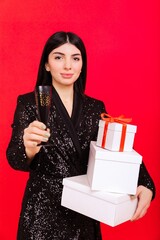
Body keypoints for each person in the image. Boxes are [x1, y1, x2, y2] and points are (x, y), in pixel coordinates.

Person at [6, 31, 155, 240]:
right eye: (59, 57)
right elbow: (14, 158)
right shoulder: (29, 103)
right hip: (42, 212)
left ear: (82, 64)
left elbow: (113, 150)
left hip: (85, 209)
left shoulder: (95, 108)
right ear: (47, 64)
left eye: (75, 58)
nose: (68, 66)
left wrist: (145, 183)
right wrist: (28, 149)